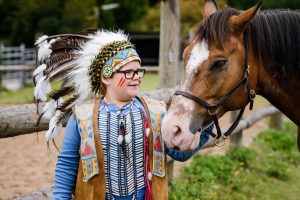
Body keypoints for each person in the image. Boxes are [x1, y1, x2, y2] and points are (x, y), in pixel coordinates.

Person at [33, 29, 214, 200]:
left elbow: (180, 154)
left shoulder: (156, 113)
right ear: (106, 77)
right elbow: (67, 165)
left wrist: (208, 120)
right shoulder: (81, 117)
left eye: (139, 70)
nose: (137, 76)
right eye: (128, 72)